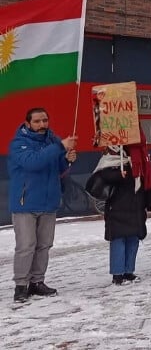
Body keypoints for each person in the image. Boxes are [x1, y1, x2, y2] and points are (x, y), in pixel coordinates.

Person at [9, 108, 77, 303]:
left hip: (49, 202)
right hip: (25, 203)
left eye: (45, 120)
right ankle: (21, 285)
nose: (42, 125)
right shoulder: (19, 144)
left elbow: (59, 168)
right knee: (26, 246)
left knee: (44, 245)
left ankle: (37, 282)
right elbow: (33, 163)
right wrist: (59, 148)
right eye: (37, 121)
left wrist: (67, 159)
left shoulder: (53, 141)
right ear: (27, 123)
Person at [97, 132, 151, 286]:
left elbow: (146, 175)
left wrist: (149, 196)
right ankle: (117, 274)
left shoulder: (140, 155)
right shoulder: (111, 153)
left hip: (136, 201)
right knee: (118, 238)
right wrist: (118, 174)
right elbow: (103, 174)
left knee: (133, 237)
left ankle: (129, 271)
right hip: (117, 203)